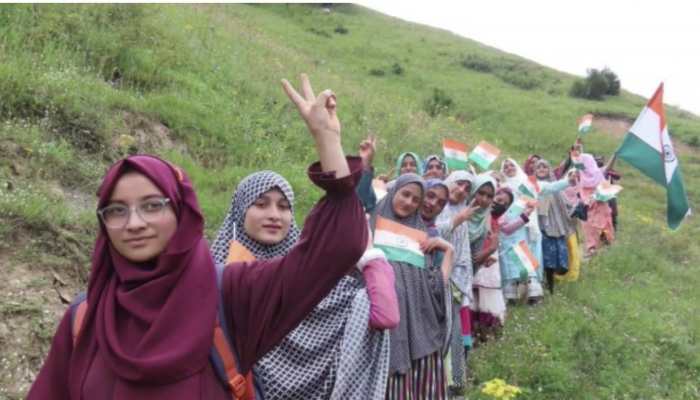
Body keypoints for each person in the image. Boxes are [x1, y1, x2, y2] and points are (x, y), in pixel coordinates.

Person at [27, 74, 369, 400]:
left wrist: (327, 139)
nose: (133, 223)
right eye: (116, 210)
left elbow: (338, 247)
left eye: (152, 205)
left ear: (181, 213)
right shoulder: (85, 317)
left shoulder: (230, 297)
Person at [210, 169, 399, 400]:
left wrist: (370, 256)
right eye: (261, 204)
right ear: (240, 211)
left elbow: (384, 315)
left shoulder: (311, 279)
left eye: (283, 206)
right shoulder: (216, 278)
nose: (274, 215)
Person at [375, 174, 455, 400]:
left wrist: (449, 251)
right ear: (394, 192)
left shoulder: (420, 239)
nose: (409, 202)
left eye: (415, 200)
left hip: (420, 340)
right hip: (381, 337)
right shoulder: (371, 228)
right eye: (405, 194)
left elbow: (436, 287)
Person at [434, 171, 479, 395]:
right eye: (458, 184)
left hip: (457, 283)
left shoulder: (463, 212)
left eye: (466, 188)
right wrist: (457, 220)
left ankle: (455, 383)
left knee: (454, 334)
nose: (461, 190)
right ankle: (437, 385)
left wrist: (466, 284)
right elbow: (429, 233)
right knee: (439, 334)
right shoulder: (434, 204)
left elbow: (464, 253)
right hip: (435, 279)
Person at [534, 159, 577, 294]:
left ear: (549, 169)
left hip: (557, 226)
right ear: (534, 171)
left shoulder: (556, 186)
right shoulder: (533, 185)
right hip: (542, 226)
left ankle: (552, 279)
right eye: (538, 167)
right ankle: (549, 284)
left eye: (544, 166)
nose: (541, 169)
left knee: (560, 260)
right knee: (547, 257)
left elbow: (565, 203)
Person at [572, 145, 615, 256]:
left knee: (604, 233)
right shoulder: (579, 176)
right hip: (588, 212)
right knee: (590, 233)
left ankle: (605, 249)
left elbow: (608, 167)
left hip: (601, 210)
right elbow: (574, 162)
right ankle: (591, 250)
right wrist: (576, 150)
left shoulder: (598, 174)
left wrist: (615, 155)